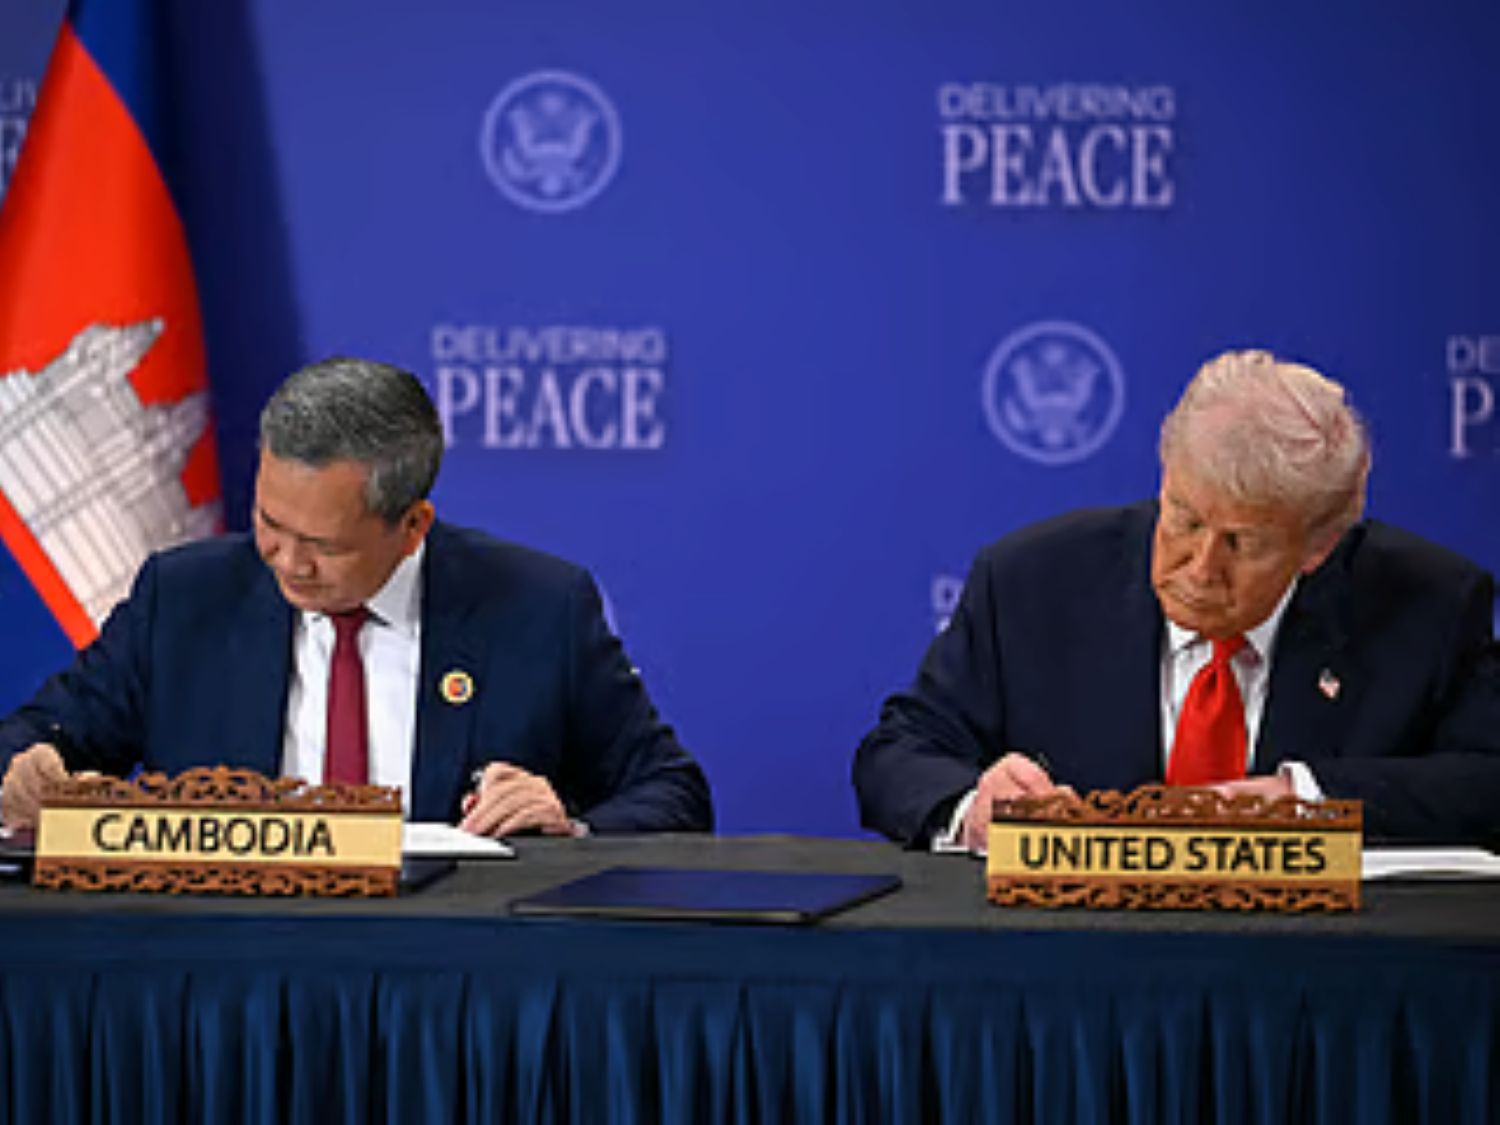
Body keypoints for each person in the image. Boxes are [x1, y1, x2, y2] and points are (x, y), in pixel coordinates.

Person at [0, 357, 712, 836]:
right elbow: (38, 736)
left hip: (447, 978)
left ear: (412, 526)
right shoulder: (184, 599)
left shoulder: (537, 608)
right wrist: (28, 770)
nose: (287, 562)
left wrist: (570, 825)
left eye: (324, 544)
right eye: (269, 523)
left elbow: (674, 792)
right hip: (230, 969)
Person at [854, 349, 1500, 851]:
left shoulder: (1429, 603)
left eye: (1243, 543)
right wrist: (974, 807)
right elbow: (898, 753)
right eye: (1185, 519)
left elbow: (1487, 781)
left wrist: (1306, 799)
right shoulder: (1033, 580)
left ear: (1319, 546)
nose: (1200, 567)